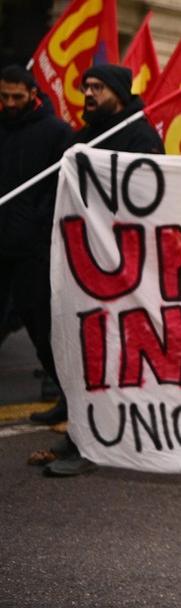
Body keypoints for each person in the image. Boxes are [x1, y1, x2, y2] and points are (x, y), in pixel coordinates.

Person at [43, 63, 164, 477]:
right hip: (83, 260)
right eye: (85, 87)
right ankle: (79, 427)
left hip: (118, 267)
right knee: (80, 348)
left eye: (97, 87)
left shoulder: (140, 136)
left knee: (106, 353)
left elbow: (150, 197)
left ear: (118, 92)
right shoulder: (85, 136)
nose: (88, 93)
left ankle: (92, 443)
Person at [0, 65, 73, 415]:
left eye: (17, 97)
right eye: (4, 97)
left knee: (39, 322)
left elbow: (62, 186)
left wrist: (40, 223)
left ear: (33, 94)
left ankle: (64, 391)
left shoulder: (56, 132)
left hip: (33, 246)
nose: (10, 103)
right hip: (2, 241)